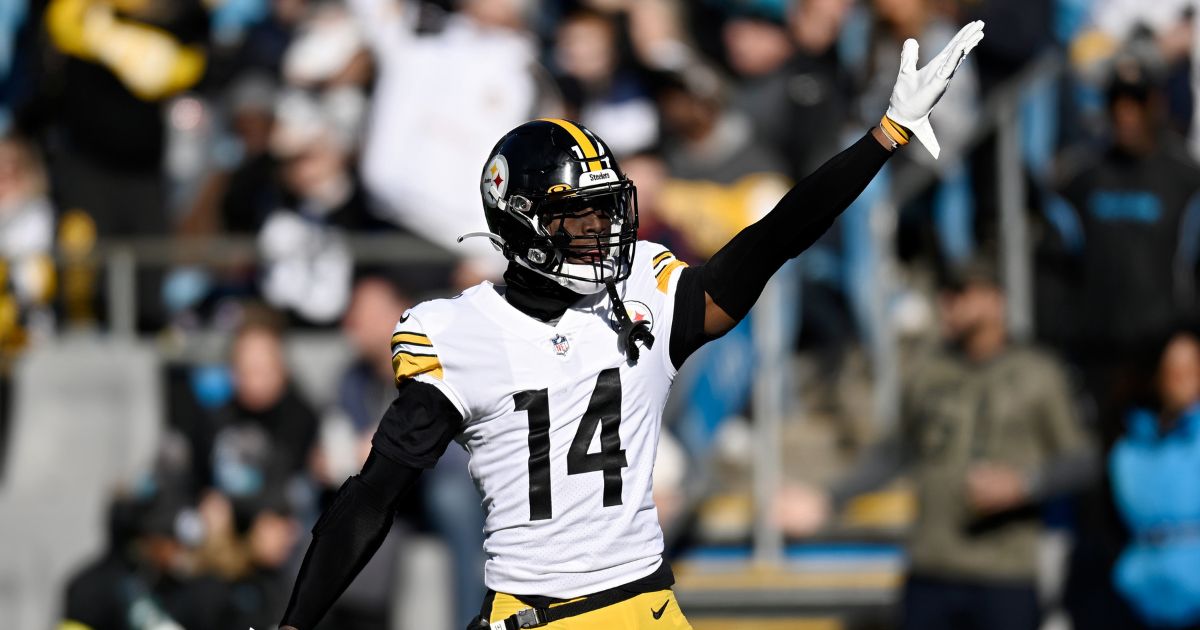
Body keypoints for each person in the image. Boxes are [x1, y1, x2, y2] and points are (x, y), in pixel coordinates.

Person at [278, 20, 986, 630]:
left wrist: (882, 138)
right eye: (573, 217)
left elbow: (775, 236)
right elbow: (372, 498)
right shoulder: (458, 334)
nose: (597, 233)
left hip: (648, 607)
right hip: (535, 612)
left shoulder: (645, 290)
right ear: (518, 223)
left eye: (602, 212)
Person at [778, 261, 1095, 630]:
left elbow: (1082, 459)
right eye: (945, 294)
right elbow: (894, 452)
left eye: (962, 294)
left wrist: (1025, 483)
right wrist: (830, 497)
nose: (949, 304)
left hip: (1004, 571)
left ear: (996, 301)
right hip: (932, 565)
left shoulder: (1038, 373)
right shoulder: (928, 372)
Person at [1109, 332, 1200, 630]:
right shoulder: (1129, 445)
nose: (1183, 378)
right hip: (1140, 593)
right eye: (1174, 370)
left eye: (1192, 368)